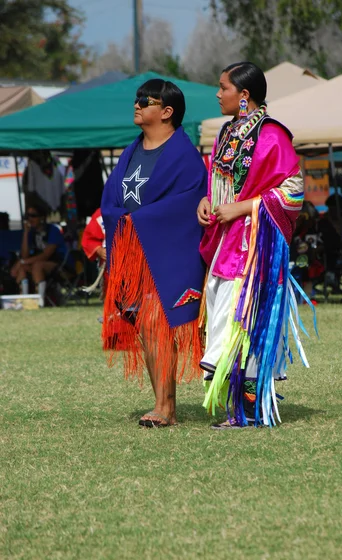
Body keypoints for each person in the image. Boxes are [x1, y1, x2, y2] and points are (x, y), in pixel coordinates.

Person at [197, 62, 309, 429]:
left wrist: (242, 207)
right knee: (222, 312)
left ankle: (249, 408)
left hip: (255, 244)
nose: (217, 94)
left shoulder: (273, 135)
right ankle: (239, 406)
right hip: (225, 241)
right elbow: (219, 181)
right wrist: (207, 200)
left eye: (223, 87)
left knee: (242, 318)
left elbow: (294, 192)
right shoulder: (227, 133)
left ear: (243, 95)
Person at [101, 78, 207, 427]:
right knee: (147, 327)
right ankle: (162, 403)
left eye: (145, 100)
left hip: (169, 250)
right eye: (137, 99)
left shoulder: (184, 156)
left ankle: (166, 408)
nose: (137, 104)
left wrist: (141, 219)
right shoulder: (130, 152)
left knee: (155, 322)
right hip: (133, 249)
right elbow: (112, 199)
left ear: (166, 112)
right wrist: (120, 226)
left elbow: (189, 200)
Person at [10, 199, 67, 307]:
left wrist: (22, 261)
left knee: (37, 266)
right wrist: (26, 233)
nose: (30, 219)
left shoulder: (53, 230)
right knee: (23, 268)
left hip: (59, 264)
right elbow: (25, 255)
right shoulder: (32, 233)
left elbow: (46, 255)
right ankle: (24, 301)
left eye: (33, 215)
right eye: (28, 216)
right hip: (38, 263)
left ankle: (40, 302)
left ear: (42, 217)